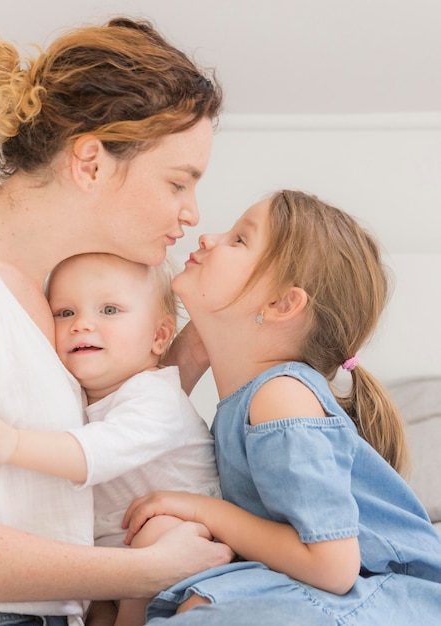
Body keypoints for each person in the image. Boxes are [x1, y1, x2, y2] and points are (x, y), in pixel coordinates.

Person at [0, 17, 233, 626]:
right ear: (90, 163)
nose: (191, 213)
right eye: (177, 182)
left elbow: (134, 417)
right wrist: (147, 571)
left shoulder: (51, 294)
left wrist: (215, 314)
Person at [123, 190, 441, 624]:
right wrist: (200, 335)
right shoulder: (251, 396)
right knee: (193, 591)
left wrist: (204, 511)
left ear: (281, 304)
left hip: (385, 595)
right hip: (323, 583)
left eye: (238, 240)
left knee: (202, 608)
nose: (208, 238)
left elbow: (332, 565)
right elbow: (145, 409)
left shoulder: (282, 397)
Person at [0, 252, 222, 626]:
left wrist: (13, 444)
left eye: (109, 310)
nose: (82, 324)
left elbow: (96, 453)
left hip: (192, 552)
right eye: (65, 313)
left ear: (159, 336)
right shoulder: (72, 399)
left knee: (160, 530)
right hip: (116, 563)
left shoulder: (156, 396)